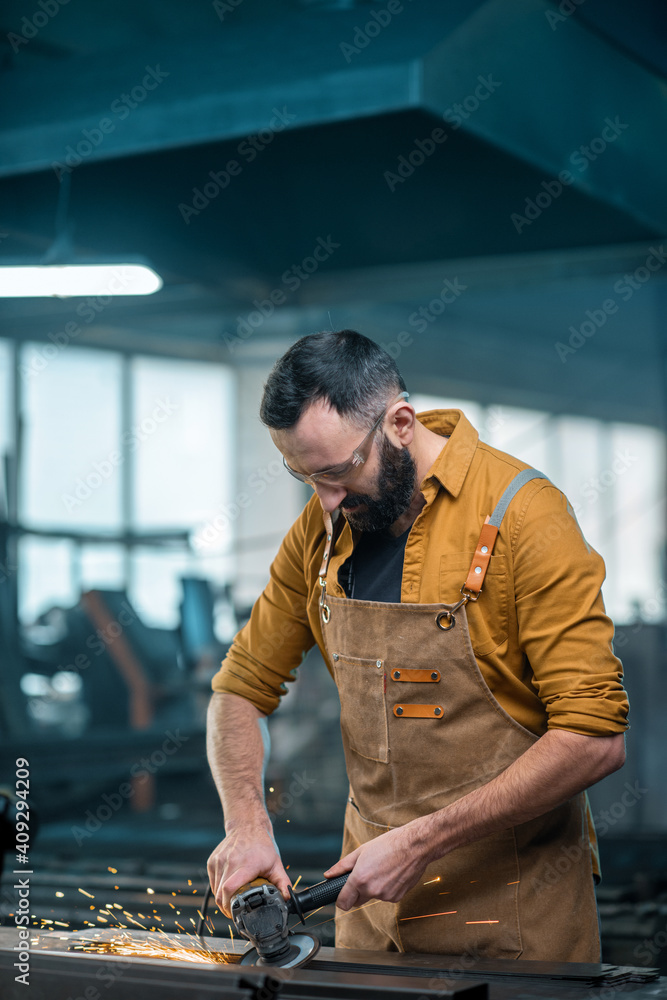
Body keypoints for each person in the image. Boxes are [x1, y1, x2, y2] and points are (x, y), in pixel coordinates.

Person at [206, 329, 628, 961]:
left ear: (400, 423)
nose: (326, 500)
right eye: (305, 476)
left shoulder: (524, 517)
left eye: (340, 471)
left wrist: (420, 843)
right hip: (370, 922)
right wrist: (246, 822)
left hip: (516, 924)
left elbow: (594, 738)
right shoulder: (322, 531)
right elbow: (239, 689)